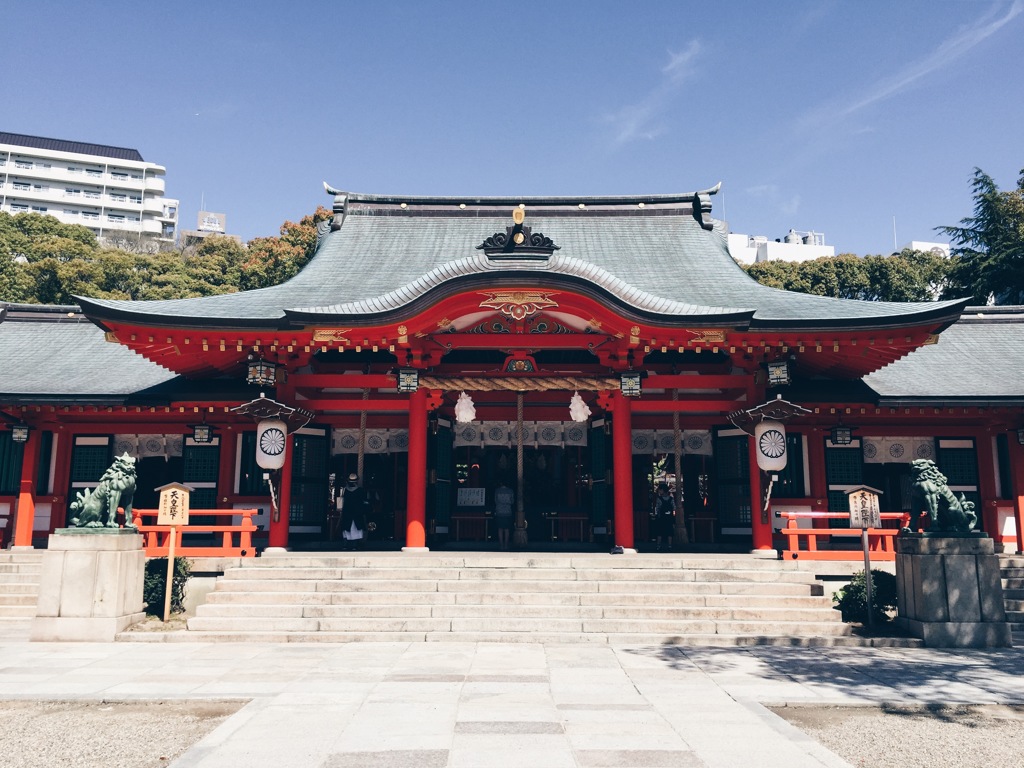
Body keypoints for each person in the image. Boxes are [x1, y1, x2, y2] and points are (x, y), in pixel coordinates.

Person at [338, 473, 368, 549]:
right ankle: (353, 545)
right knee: (354, 529)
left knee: (347, 529)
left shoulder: (345, 490)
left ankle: (346, 544)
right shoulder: (359, 490)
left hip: (348, 512)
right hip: (356, 512)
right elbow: (363, 501)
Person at [653, 482, 675, 552]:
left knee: (659, 532)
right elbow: (674, 507)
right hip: (669, 518)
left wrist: (657, 515)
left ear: (662, 490)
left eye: (659, 489)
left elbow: (657, 508)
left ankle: (658, 546)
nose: (659, 491)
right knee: (669, 532)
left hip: (661, 518)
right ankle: (670, 546)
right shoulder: (671, 499)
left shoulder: (659, 499)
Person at [494, 480, 514, 551]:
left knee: (500, 529)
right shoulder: (510, 491)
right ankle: (506, 545)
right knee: (506, 529)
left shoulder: (497, 491)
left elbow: (495, 501)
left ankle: (501, 545)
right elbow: (512, 501)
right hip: (508, 511)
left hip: (499, 511)